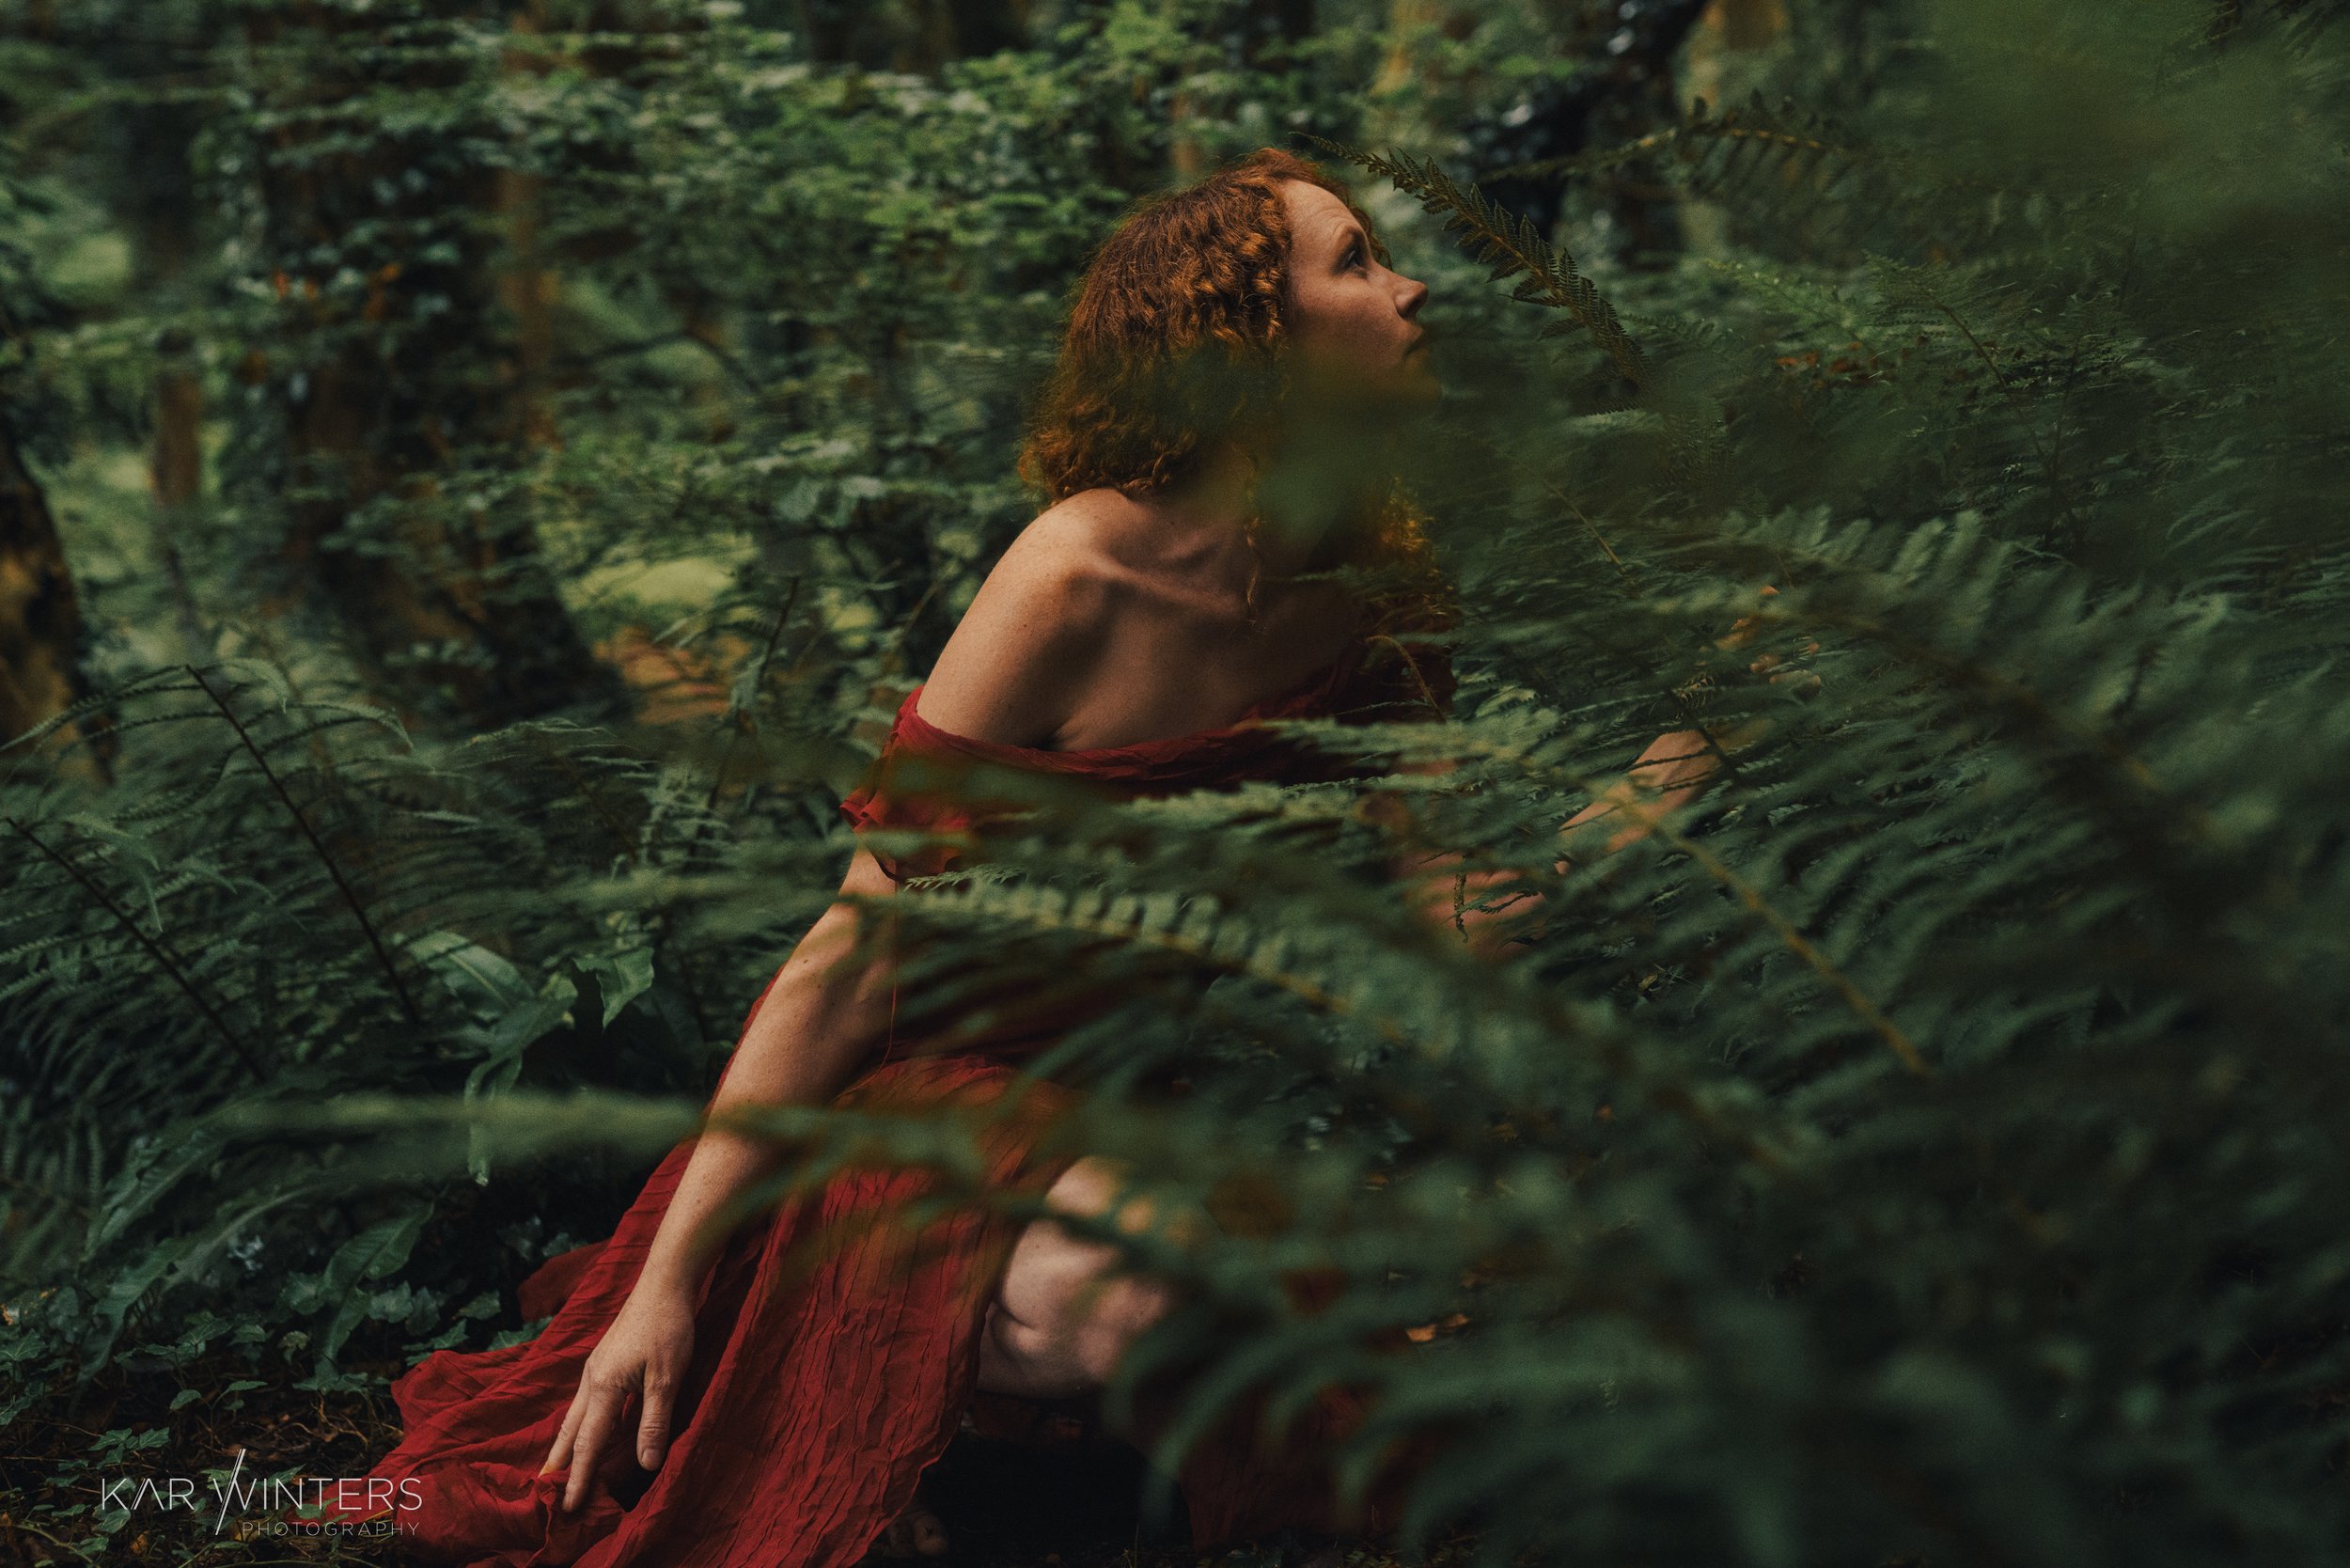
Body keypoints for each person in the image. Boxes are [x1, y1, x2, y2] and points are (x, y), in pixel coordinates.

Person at [317, 147, 1716, 1568]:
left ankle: (960, 1426)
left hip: (1147, 1112)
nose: (1414, 289)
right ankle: (870, 1382)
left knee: (1367, 1337)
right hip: (923, 1109)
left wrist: (1683, 768)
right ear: (1246, 338)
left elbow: (1456, 920)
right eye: (1355, 260)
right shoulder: (1071, 576)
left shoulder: (1382, 593)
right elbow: (847, 964)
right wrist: (661, 1293)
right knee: (1157, 1298)